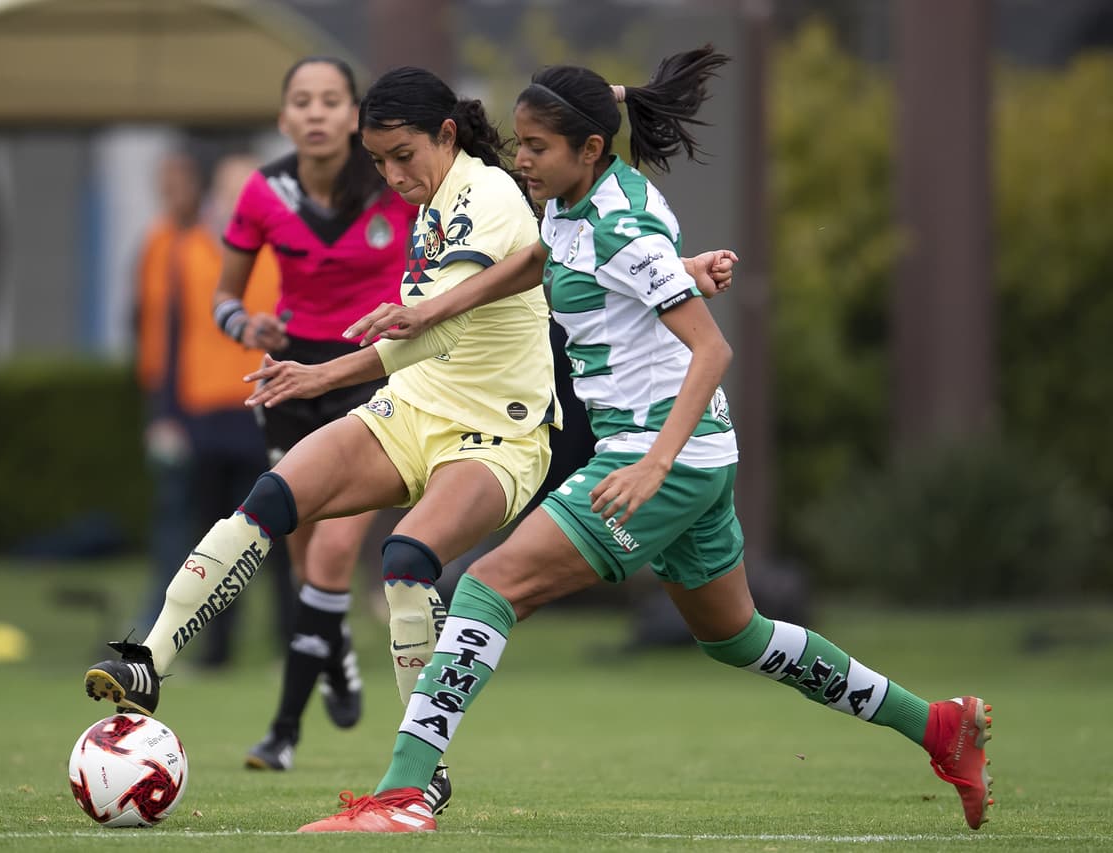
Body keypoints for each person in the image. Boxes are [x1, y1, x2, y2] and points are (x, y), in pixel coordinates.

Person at [296, 48, 994, 834]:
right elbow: (540, 259)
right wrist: (432, 310)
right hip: (692, 456)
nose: (520, 159)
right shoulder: (573, 202)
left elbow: (713, 350)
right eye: (520, 144)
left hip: (658, 456)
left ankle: (405, 793)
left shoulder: (620, 222)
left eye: (535, 147)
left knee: (487, 588)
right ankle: (940, 726)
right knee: (739, 637)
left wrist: (655, 462)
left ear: (589, 149)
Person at [85, 63, 734, 819]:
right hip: (414, 408)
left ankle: (420, 765)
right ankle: (148, 662)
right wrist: (325, 373)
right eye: (380, 161)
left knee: (405, 561)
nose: (392, 175)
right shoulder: (436, 201)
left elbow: (440, 322)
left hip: (498, 435)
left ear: (447, 136)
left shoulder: (489, 194)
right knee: (270, 499)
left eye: (403, 156)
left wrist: (330, 372)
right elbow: (498, 298)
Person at [209, 57, 416, 772]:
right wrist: (247, 327)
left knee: (332, 555)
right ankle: (339, 658)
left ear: (355, 114)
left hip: (372, 378)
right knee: (306, 570)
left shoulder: (395, 179)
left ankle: (283, 733)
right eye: (304, 100)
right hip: (292, 384)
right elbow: (223, 299)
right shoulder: (263, 192)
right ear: (284, 118)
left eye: (333, 100)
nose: (319, 112)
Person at [132, 151, 289, 668]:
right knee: (211, 541)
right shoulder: (187, 251)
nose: (237, 201)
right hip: (203, 417)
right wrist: (165, 413)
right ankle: (216, 653)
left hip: (263, 409)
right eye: (229, 190)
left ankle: (287, 648)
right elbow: (169, 336)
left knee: (277, 538)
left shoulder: (284, 252)